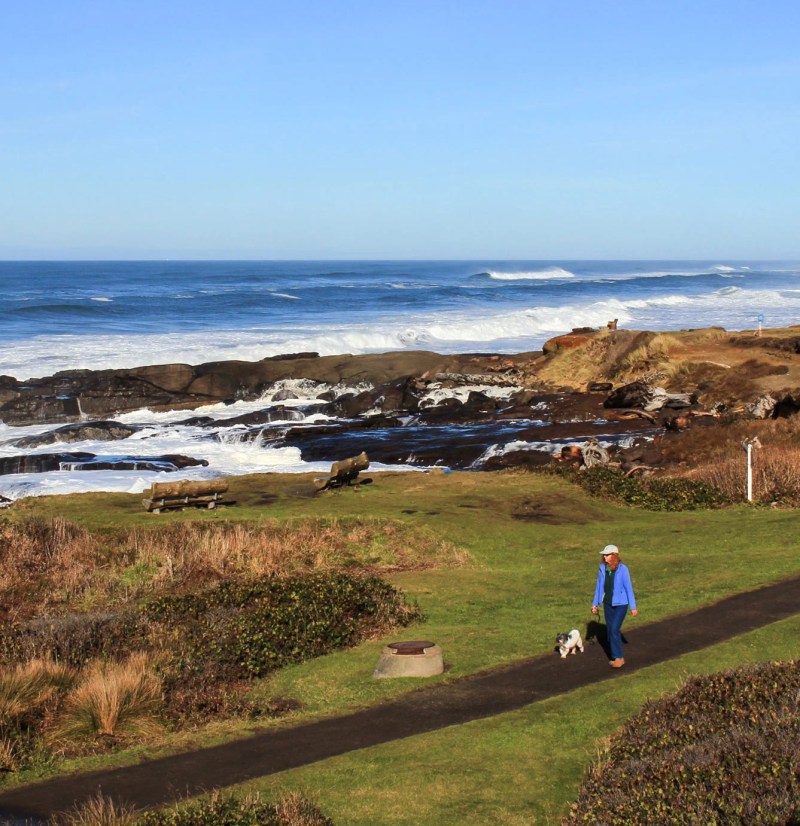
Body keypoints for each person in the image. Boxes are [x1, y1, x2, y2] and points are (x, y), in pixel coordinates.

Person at [591, 544, 638, 668]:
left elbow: (629, 588)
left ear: (614, 555)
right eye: (604, 555)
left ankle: (617, 657)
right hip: (607, 603)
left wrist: (633, 607)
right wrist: (595, 604)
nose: (604, 557)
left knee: (614, 629)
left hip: (621, 604)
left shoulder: (623, 569)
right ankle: (618, 657)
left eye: (607, 555)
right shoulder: (603, 568)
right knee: (611, 631)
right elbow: (599, 588)